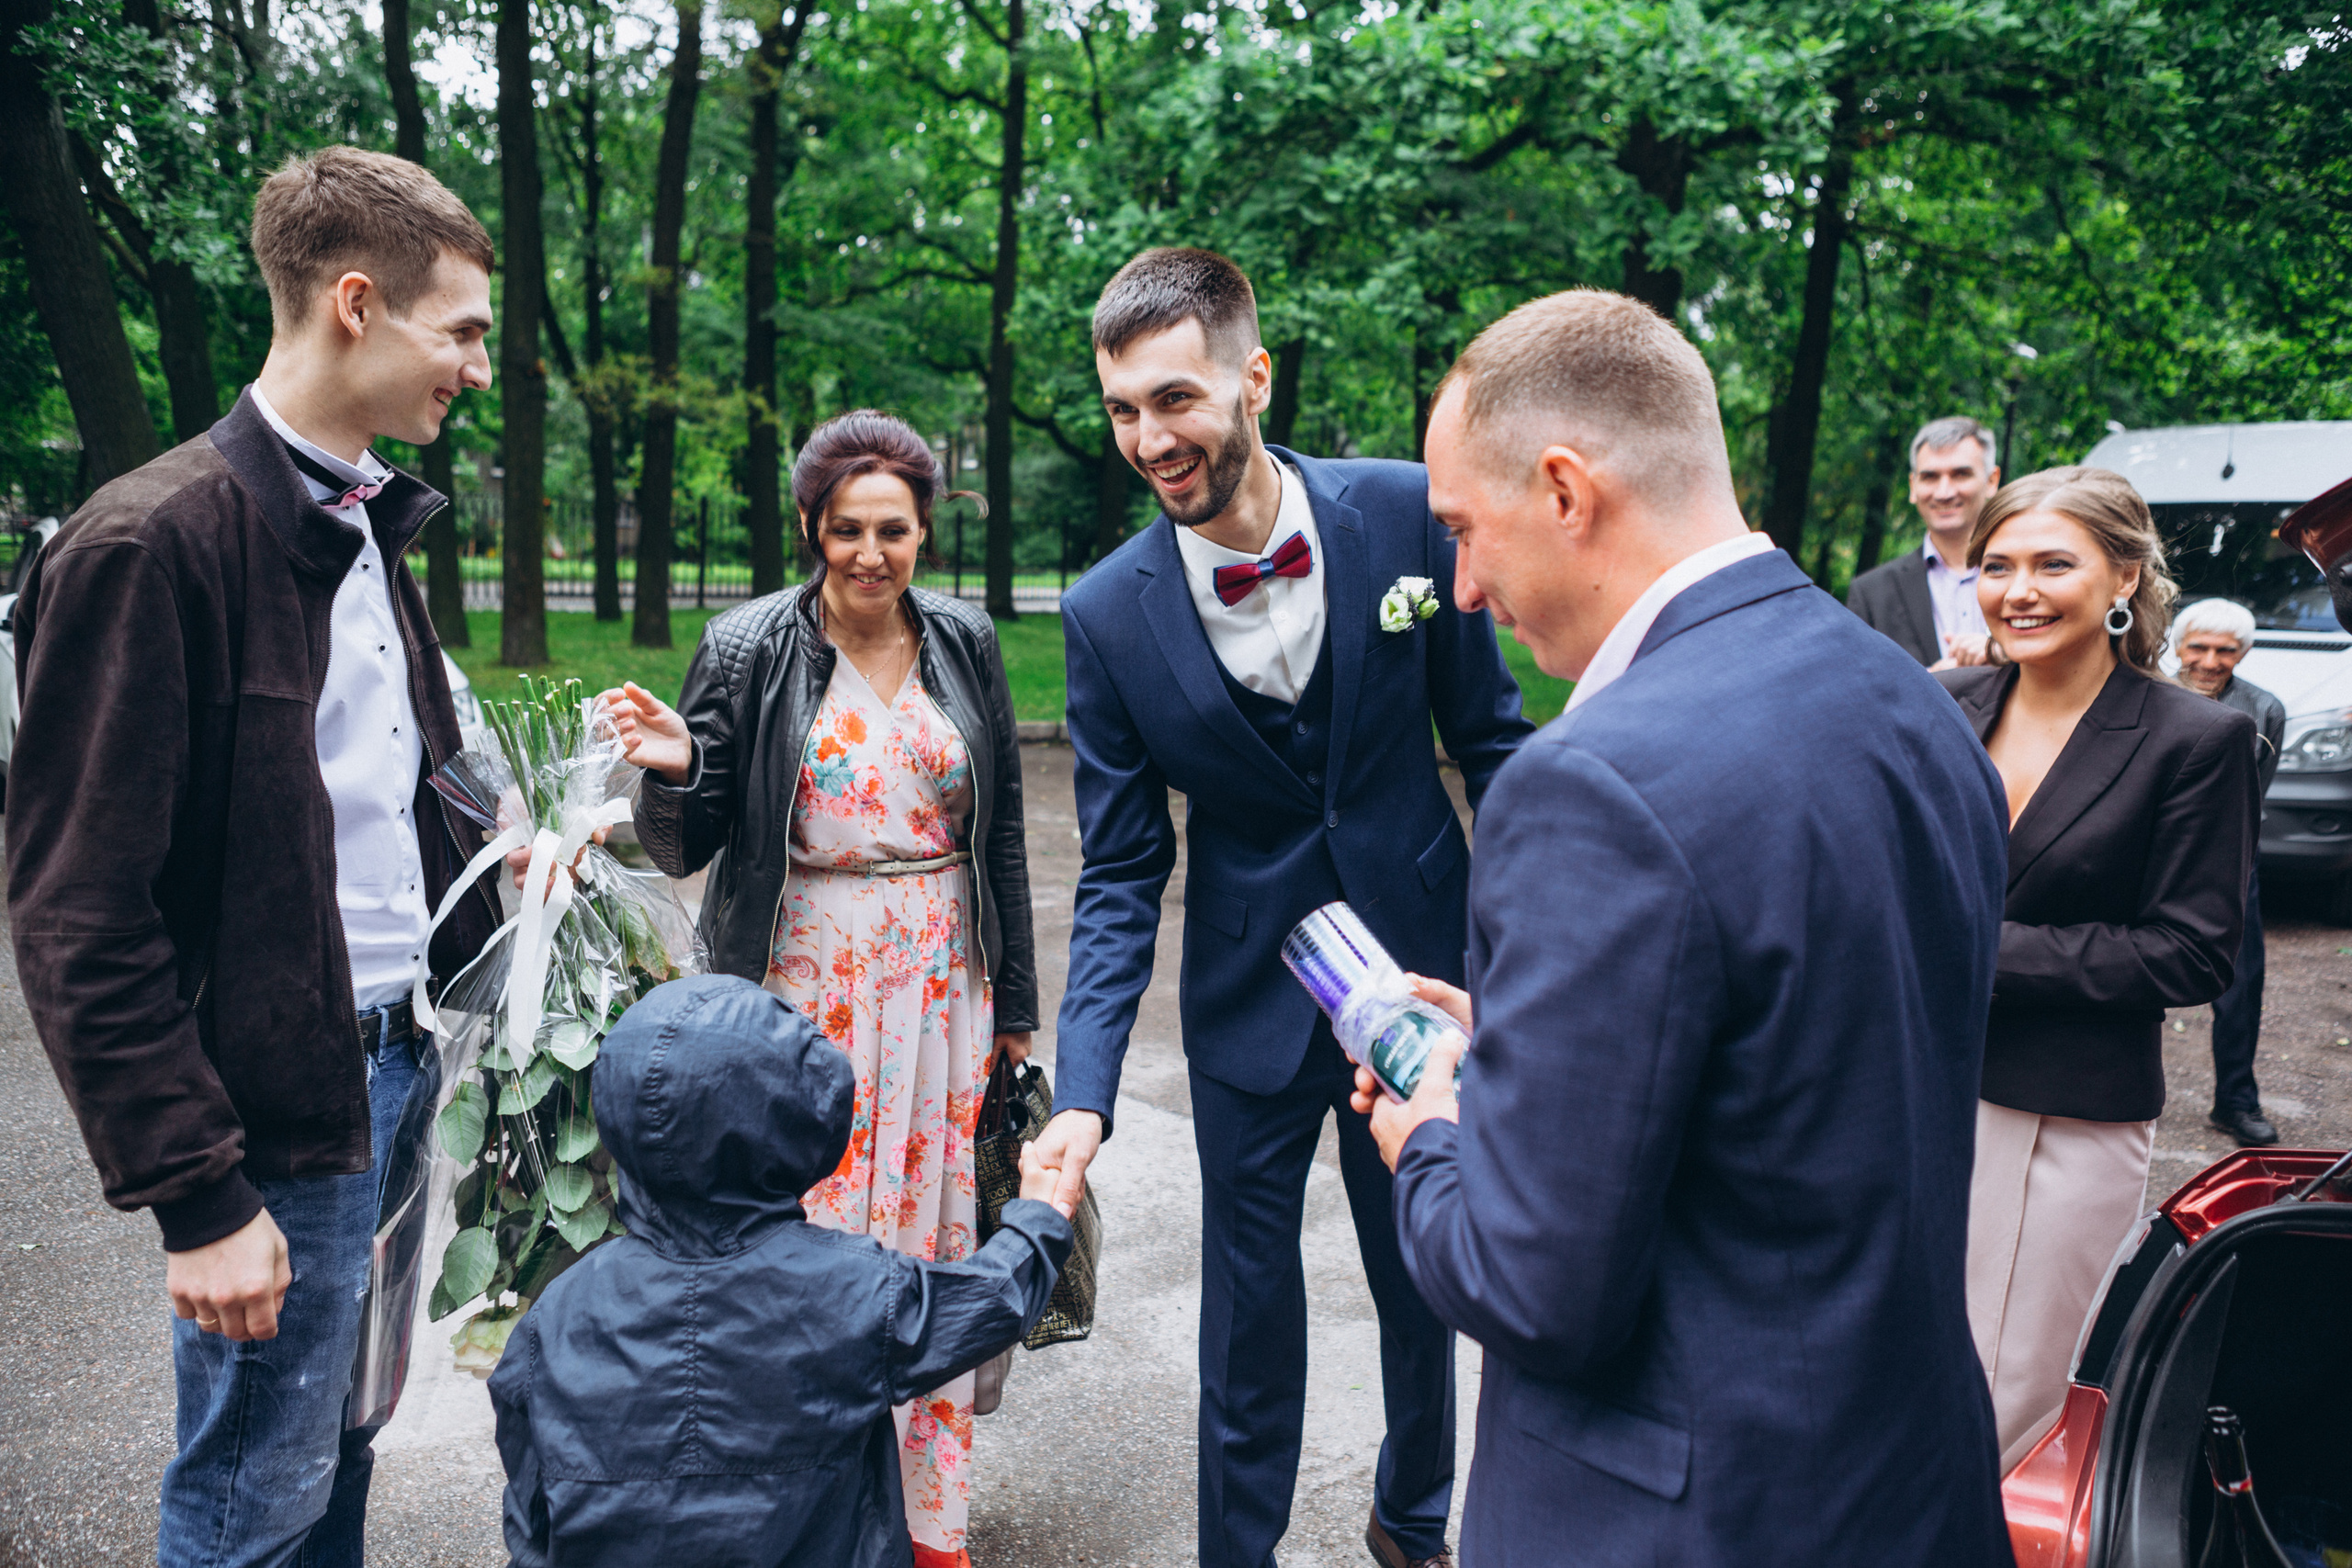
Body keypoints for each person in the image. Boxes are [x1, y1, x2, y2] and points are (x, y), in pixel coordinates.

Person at [1362, 288, 2015, 1565]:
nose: (1465, 584)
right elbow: (1805, 1045)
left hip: (1682, 1511)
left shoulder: (1589, 781)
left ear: (1564, 489)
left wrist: (1432, 1124)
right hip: (1905, 1471)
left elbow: (1532, 1286)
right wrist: (1533, 1045)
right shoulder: (1912, 698)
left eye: (1462, 530)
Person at [6, 147, 501, 1564]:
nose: (473, 365)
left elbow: (378, 800)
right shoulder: (146, 545)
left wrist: (502, 871)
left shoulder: (364, 520)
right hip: (277, 1104)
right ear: (357, 302)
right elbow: (76, 910)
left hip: (395, 1070)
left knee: (337, 1447)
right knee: (249, 1499)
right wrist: (200, 1195)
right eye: (459, 329)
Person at [1027, 246, 1532, 1568]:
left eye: (1177, 399)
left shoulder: (1412, 514)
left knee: (1428, 1271)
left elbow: (1495, 743)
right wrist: (1082, 1090)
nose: (1151, 439)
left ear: (1254, 374)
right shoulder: (1105, 613)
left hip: (1418, 977)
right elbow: (1125, 866)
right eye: (1125, 409)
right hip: (1250, 1007)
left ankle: (1414, 1512)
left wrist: (1538, 949)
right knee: (1248, 1319)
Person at [606, 411, 1034, 1568]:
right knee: (816, 1234)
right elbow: (684, 847)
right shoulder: (748, 645)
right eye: (845, 528)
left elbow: (998, 842)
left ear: (924, 531)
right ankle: (806, 1514)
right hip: (808, 976)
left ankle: (928, 1518)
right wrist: (684, 767)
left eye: (892, 529)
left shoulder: (965, 640)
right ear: (810, 526)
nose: (869, 552)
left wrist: (1020, 1010)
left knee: (938, 1234)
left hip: (948, 973)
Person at [489, 975, 1074, 1568]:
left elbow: (531, 1511)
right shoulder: (853, 1290)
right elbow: (992, 1299)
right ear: (802, 1119)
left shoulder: (558, 1316)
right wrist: (1039, 1216)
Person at [1940, 469, 2256, 1471]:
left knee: (1994, 1402)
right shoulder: (1938, 702)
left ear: (2122, 574)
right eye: (1996, 566)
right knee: (1886, 1370)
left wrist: (1967, 950)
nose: (2017, 589)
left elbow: (2193, 950)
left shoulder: (2195, 741)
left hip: (2057, 1119)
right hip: (1909, 1093)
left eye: (2050, 564)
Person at [2174, 598, 2287, 1147]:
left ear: (2243, 652)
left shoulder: (2264, 709)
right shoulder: (2149, 691)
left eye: (2226, 649)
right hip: (2146, 853)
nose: (2211, 659)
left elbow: (2255, 792)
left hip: (2229, 857)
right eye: (2199, 646)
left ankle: (2235, 1101)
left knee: (2240, 983)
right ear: (2177, 646)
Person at [1846, 415, 2003, 669]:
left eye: (1960, 474)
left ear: (1991, 481)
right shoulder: (1870, 594)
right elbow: (1857, 691)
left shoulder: (2029, 577)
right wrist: (1927, 685)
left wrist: (2001, 651)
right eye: (1930, 477)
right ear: (1913, 486)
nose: (1944, 492)